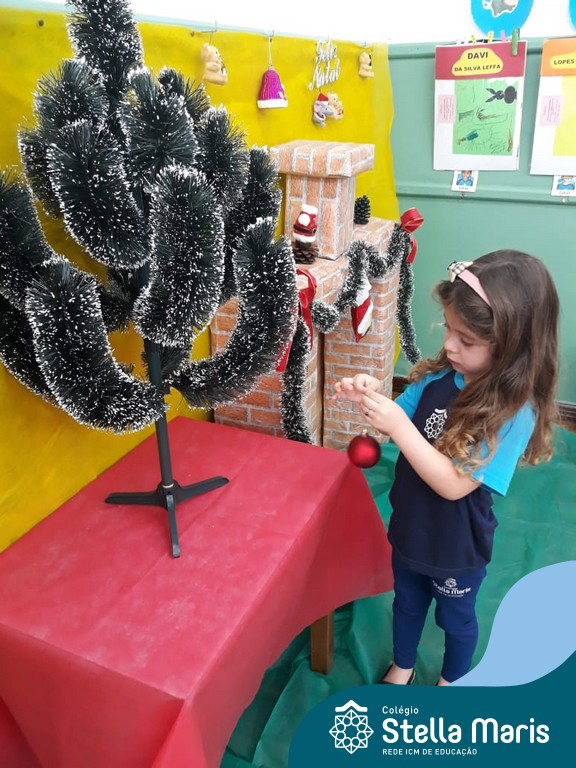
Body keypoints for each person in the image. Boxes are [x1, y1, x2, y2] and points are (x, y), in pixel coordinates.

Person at [333, 250, 559, 686]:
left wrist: (398, 426)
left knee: (456, 621)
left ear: (510, 349)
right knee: (406, 604)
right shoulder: (436, 380)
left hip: (457, 550)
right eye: (449, 330)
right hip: (410, 530)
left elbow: (455, 485)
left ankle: (452, 679)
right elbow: (395, 420)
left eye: (466, 340)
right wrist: (370, 398)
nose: (450, 345)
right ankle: (403, 664)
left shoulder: (513, 413)